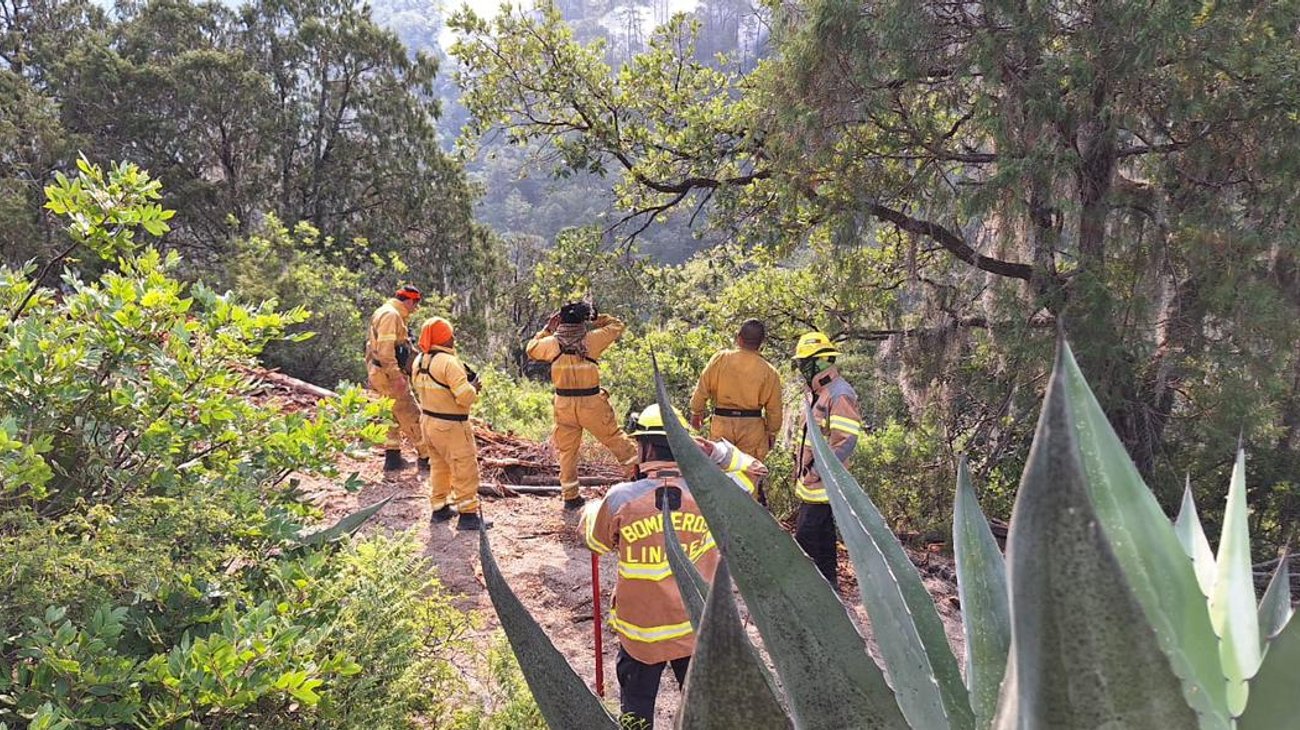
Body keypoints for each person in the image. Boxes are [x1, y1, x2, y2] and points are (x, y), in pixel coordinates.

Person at [580, 404, 767, 728]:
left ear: (645, 447)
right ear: (683, 446)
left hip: (640, 636)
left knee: (636, 715)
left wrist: (592, 512)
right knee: (702, 711)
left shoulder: (620, 499)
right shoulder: (713, 494)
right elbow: (754, 470)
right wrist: (716, 452)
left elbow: (596, 543)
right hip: (694, 629)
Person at [526, 301, 639, 510]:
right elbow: (617, 325)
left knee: (567, 451)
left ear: (560, 321)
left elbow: (531, 349)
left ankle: (570, 496)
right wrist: (596, 317)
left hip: (564, 405)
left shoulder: (552, 343)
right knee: (615, 439)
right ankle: (640, 478)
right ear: (582, 321)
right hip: (591, 403)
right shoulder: (592, 340)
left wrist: (547, 329)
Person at [791, 331, 863, 587]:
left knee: (806, 539)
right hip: (811, 483)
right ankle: (828, 585)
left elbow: (845, 441)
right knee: (822, 538)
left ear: (819, 362)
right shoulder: (818, 391)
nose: (800, 368)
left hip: (821, 485)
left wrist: (819, 471)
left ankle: (805, 591)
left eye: (803, 363)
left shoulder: (839, 394)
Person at [409, 316, 491, 531]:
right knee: (464, 467)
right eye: (450, 334)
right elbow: (465, 397)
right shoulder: (449, 362)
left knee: (439, 466)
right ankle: (468, 515)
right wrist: (474, 387)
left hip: (428, 421)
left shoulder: (420, 361)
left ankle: (439, 507)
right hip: (451, 425)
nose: (453, 338)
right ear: (443, 338)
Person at [688, 318, 784, 462]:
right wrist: (771, 433)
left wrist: (697, 412)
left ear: (739, 339)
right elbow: (774, 410)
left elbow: (702, 388)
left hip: (722, 424)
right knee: (748, 475)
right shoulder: (769, 372)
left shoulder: (721, 359)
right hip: (752, 429)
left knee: (720, 473)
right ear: (761, 344)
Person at [366, 285, 429, 472]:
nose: (416, 308)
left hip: (379, 372)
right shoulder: (391, 316)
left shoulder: (385, 311)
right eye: (415, 303)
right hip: (388, 374)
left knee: (390, 414)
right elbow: (386, 351)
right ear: (408, 300)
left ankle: (392, 457)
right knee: (410, 412)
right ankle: (427, 456)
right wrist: (396, 377)